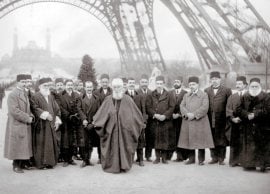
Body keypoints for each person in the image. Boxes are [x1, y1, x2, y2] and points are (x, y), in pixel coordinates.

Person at [92, 78, 145, 173]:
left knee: (124, 147)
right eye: (115, 87)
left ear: (123, 87)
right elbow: (101, 114)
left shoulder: (128, 100)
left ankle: (124, 166)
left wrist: (131, 125)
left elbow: (137, 116)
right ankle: (112, 166)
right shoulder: (107, 99)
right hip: (110, 131)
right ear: (112, 88)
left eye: (119, 87)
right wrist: (98, 123)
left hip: (125, 132)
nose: (117, 89)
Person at [178, 76, 214, 165]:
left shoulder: (204, 95)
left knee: (201, 141)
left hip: (200, 121)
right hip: (188, 121)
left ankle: (201, 160)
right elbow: (182, 106)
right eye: (190, 84)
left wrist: (194, 115)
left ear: (198, 85)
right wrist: (187, 114)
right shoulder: (186, 95)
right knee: (190, 140)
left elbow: (205, 108)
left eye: (193, 84)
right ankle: (191, 159)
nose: (191, 86)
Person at [236, 78, 270, 172]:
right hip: (248, 125)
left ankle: (262, 164)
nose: (254, 88)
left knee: (261, 145)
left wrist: (255, 114)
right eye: (252, 86)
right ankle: (249, 164)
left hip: (262, 125)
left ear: (260, 86)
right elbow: (238, 109)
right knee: (249, 145)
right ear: (249, 86)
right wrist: (247, 115)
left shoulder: (266, 96)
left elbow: (268, 110)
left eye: (256, 86)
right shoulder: (245, 96)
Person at [4, 74, 34, 173]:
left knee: (24, 144)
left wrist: (31, 116)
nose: (25, 84)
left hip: (24, 123)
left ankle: (23, 163)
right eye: (23, 82)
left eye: (26, 82)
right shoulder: (13, 94)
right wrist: (27, 118)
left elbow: (28, 108)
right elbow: (14, 111)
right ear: (17, 82)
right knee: (17, 144)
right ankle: (16, 165)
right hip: (17, 123)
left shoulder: (24, 93)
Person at [31, 78, 62, 169]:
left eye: (48, 85)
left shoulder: (50, 96)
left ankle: (50, 162)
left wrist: (57, 119)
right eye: (45, 85)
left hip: (51, 124)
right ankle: (41, 164)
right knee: (41, 144)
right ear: (40, 87)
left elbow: (56, 109)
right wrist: (45, 115)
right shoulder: (35, 96)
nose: (47, 87)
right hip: (41, 125)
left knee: (50, 143)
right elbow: (34, 108)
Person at [146, 75, 175, 164]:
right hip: (155, 121)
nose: (159, 85)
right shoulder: (151, 94)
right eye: (157, 83)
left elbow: (172, 107)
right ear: (155, 84)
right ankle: (157, 157)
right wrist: (155, 115)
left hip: (165, 121)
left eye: (161, 83)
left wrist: (165, 116)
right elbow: (148, 107)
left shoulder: (169, 94)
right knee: (156, 139)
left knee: (165, 139)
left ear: (163, 84)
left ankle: (164, 158)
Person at [205, 71, 231, 165]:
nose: (214, 81)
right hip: (210, 118)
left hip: (222, 119)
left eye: (216, 79)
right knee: (211, 137)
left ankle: (221, 158)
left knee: (222, 138)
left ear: (220, 79)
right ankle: (214, 157)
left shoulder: (227, 90)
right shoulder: (206, 90)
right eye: (212, 79)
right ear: (210, 80)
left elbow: (229, 104)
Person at [77, 81, 100, 168]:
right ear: (85, 87)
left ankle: (88, 159)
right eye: (87, 87)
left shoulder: (96, 98)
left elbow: (99, 110)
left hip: (92, 123)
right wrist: (83, 119)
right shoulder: (80, 97)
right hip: (84, 123)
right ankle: (84, 160)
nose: (89, 89)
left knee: (90, 142)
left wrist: (94, 121)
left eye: (90, 87)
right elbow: (78, 109)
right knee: (84, 142)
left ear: (92, 87)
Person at [226, 76, 247, 167]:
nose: (238, 85)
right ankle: (234, 161)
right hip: (234, 123)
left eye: (240, 84)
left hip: (246, 123)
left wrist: (244, 118)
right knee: (234, 142)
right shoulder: (232, 97)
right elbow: (228, 109)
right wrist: (232, 118)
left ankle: (244, 161)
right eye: (237, 84)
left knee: (245, 141)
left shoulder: (249, 95)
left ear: (245, 85)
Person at [59, 79, 80, 167]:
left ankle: (71, 158)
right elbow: (59, 107)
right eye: (68, 85)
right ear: (65, 86)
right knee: (65, 140)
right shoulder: (60, 95)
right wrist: (68, 115)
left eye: (71, 85)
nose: (70, 86)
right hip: (65, 121)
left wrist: (76, 115)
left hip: (74, 120)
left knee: (73, 140)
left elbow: (79, 106)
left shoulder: (76, 95)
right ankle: (65, 159)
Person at [125, 77, 145, 166]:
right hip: (127, 123)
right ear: (127, 84)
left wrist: (144, 122)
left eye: (133, 82)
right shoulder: (123, 95)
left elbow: (143, 109)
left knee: (139, 140)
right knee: (128, 141)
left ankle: (140, 159)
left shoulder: (139, 95)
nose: (131, 84)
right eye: (130, 82)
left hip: (138, 123)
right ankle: (129, 159)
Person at [93, 73, 112, 163]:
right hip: (100, 119)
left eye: (106, 82)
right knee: (100, 137)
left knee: (109, 138)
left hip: (110, 119)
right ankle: (100, 157)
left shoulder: (112, 91)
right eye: (103, 82)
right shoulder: (96, 92)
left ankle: (108, 157)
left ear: (109, 82)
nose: (104, 84)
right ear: (100, 82)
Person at [168, 76, 188, 162]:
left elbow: (187, 106)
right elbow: (167, 105)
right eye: (175, 81)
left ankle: (180, 156)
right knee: (172, 137)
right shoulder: (169, 93)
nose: (176, 83)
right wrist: (171, 114)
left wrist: (179, 114)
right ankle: (170, 155)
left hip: (181, 120)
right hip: (171, 119)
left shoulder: (186, 93)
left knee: (180, 137)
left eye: (178, 81)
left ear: (182, 83)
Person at [137, 74, 152, 162]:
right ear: (140, 82)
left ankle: (148, 155)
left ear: (148, 82)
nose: (144, 84)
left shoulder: (151, 92)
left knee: (149, 137)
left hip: (150, 118)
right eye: (142, 82)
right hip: (140, 118)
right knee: (140, 137)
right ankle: (139, 157)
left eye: (145, 82)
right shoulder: (136, 92)